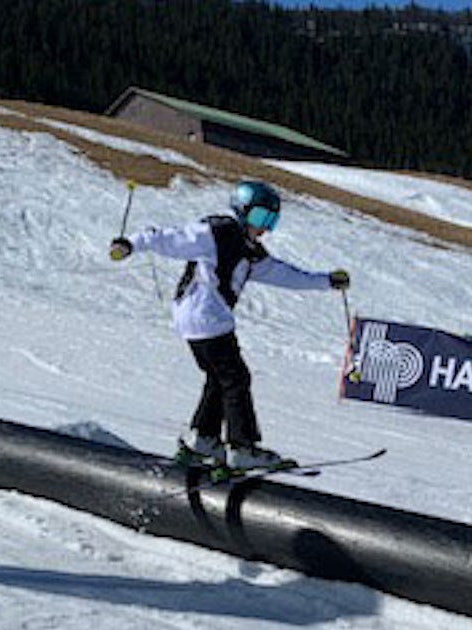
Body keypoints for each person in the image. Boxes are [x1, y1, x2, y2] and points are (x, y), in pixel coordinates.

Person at [109, 179, 350, 470]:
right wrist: (131, 243)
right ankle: (241, 447)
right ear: (242, 210)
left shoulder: (251, 251)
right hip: (206, 315)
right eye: (261, 217)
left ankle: (204, 439)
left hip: (196, 319)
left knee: (220, 378)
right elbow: (172, 238)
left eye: (271, 220)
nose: (265, 228)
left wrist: (325, 281)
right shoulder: (218, 232)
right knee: (236, 379)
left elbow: (285, 275)